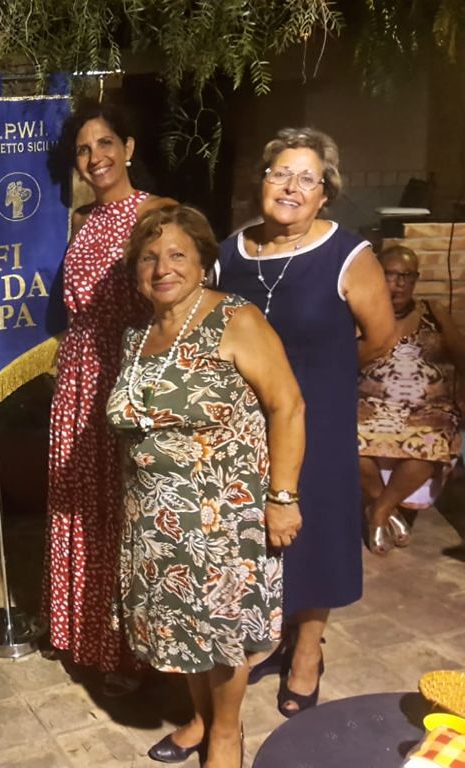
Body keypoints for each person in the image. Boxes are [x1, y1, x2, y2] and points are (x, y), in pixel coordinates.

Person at [108, 205, 304, 768]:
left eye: (177, 255)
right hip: (153, 520)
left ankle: (225, 733)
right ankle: (200, 718)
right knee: (183, 631)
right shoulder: (137, 336)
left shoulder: (235, 319)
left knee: (221, 632)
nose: (162, 268)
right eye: (149, 257)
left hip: (223, 518)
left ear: (202, 262)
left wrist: (283, 497)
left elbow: (288, 406)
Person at [216, 127, 396, 717]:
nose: (290, 187)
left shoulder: (349, 255)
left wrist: (322, 377)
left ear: (325, 193)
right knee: (257, 531)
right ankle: (273, 635)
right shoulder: (230, 253)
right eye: (280, 174)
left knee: (314, 532)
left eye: (306, 178)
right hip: (246, 422)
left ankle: (308, 653)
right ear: (261, 182)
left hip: (319, 416)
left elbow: (380, 338)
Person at [45, 100, 173, 690]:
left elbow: (179, 296)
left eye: (104, 144)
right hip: (76, 381)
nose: (94, 157)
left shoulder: (156, 212)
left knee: (126, 514)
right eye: (83, 150)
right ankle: (82, 633)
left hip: (126, 377)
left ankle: (130, 650)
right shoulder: (82, 220)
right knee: (81, 507)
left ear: (129, 149)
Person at [358, 245, 465, 553]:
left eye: (407, 276)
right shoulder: (361, 314)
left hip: (428, 406)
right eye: (391, 275)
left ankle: (379, 511)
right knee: (343, 437)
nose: (400, 283)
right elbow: (346, 361)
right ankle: (386, 507)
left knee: (432, 439)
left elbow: (461, 358)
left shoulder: (433, 312)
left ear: (416, 279)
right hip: (372, 403)